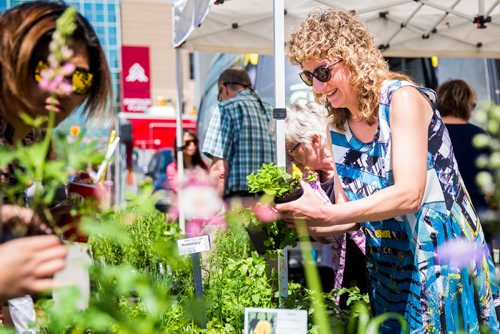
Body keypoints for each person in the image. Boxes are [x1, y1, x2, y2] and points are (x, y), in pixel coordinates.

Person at [277, 8, 499, 333]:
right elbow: (346, 215)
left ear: (352, 57)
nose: (317, 87)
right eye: (308, 76)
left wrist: (327, 216)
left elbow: (410, 194)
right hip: (390, 275)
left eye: (323, 72)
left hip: (443, 266)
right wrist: (303, 218)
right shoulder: (336, 127)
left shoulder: (401, 100)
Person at [0, 1, 112, 331]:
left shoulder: (35, 138)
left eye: (79, 80)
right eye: (45, 70)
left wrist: (53, 218)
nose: (62, 88)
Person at [285, 101, 367, 303]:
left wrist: (313, 225)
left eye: (292, 149)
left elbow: (355, 220)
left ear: (314, 140)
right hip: (344, 271)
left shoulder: (351, 163)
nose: (290, 158)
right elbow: (327, 239)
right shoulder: (311, 182)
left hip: (373, 262)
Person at [202, 68, 276, 201]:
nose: (221, 99)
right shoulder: (271, 109)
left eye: (220, 96)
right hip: (271, 201)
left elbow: (220, 169)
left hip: (239, 202)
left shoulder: (224, 108)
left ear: (224, 88)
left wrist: (211, 209)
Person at [437, 79, 491, 213]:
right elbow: (490, 189)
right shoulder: (479, 136)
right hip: (476, 214)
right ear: (468, 104)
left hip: (440, 215)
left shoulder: (429, 133)